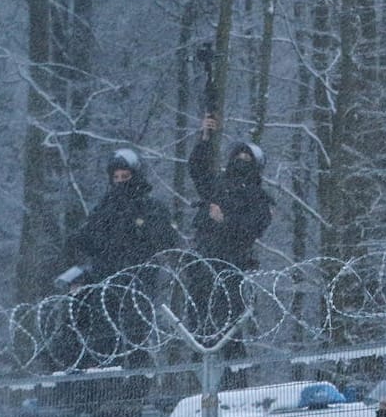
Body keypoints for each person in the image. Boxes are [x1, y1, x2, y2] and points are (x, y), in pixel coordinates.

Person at [64, 147, 177, 369]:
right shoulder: (105, 207)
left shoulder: (150, 207)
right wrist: (77, 242)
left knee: (135, 341)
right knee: (103, 340)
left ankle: (134, 391)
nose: (120, 182)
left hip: (137, 283)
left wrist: (140, 233)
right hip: (104, 282)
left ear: (136, 176)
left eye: (126, 177)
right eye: (116, 178)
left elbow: (165, 239)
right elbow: (89, 238)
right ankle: (108, 390)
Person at [184, 113, 273, 349]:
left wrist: (225, 220)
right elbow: (198, 170)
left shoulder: (258, 199)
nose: (241, 162)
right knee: (200, 328)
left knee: (229, 330)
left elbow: (254, 228)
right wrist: (205, 138)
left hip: (232, 267)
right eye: (239, 156)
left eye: (247, 159)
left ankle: (235, 381)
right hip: (203, 265)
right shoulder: (217, 186)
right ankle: (201, 379)